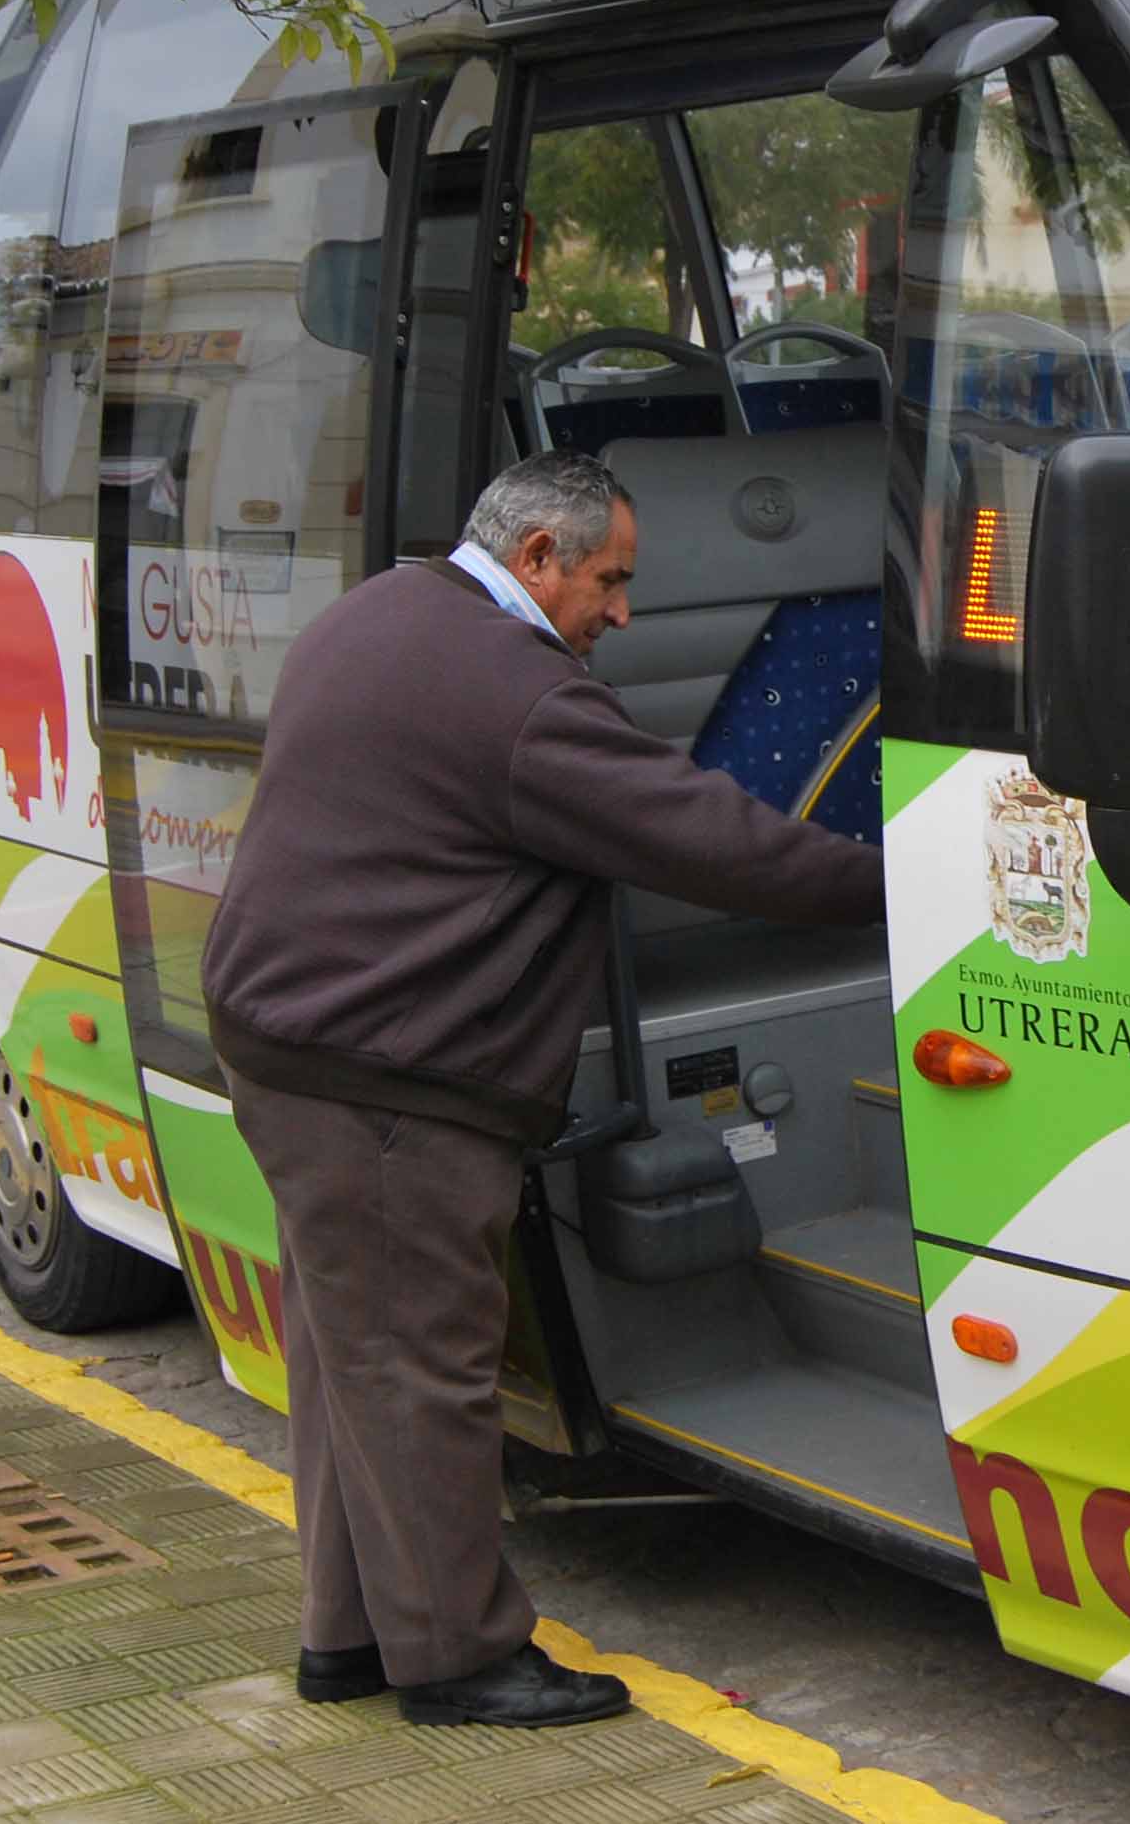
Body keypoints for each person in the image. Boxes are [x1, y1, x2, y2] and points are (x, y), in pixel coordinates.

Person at [201, 449, 882, 1730]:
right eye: (610, 581)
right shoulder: (518, 697)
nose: (620, 611)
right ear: (536, 560)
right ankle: (459, 1658)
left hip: (287, 1043)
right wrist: (904, 882)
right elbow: (710, 840)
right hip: (384, 1077)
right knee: (420, 1367)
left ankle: (348, 1636)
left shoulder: (378, 612)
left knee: (351, 1355)